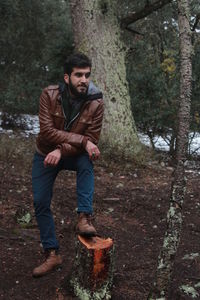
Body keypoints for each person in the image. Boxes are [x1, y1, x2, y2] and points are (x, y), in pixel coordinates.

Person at [32, 52, 104, 277]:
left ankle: (84, 217)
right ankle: (52, 254)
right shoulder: (49, 95)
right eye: (78, 75)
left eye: (87, 75)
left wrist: (62, 149)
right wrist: (81, 141)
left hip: (69, 154)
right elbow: (47, 132)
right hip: (45, 153)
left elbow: (92, 140)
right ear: (67, 77)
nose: (84, 80)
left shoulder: (96, 102)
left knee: (87, 159)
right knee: (40, 202)